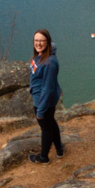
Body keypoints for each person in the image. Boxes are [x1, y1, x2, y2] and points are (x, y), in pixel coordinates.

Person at [28, 29, 64, 163]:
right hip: (43, 99)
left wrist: (41, 110)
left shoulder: (49, 63)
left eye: (41, 41)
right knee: (51, 123)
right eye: (36, 40)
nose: (38, 43)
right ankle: (59, 149)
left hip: (43, 101)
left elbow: (47, 89)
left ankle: (43, 157)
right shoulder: (41, 56)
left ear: (47, 42)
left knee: (46, 129)